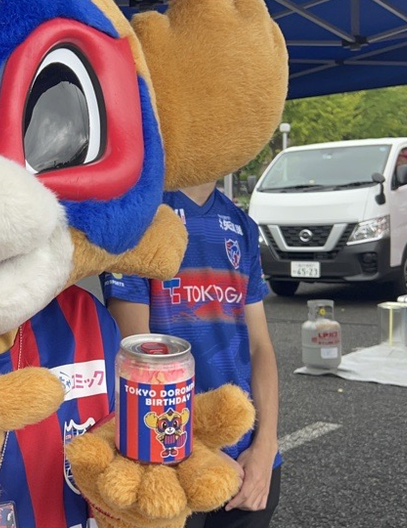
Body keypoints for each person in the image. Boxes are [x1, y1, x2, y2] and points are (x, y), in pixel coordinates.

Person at [101, 180, 282, 528]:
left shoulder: (242, 225)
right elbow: (137, 356)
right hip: (169, 459)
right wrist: (199, 450)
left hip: (250, 466)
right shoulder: (139, 217)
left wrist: (266, 445)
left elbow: (260, 346)